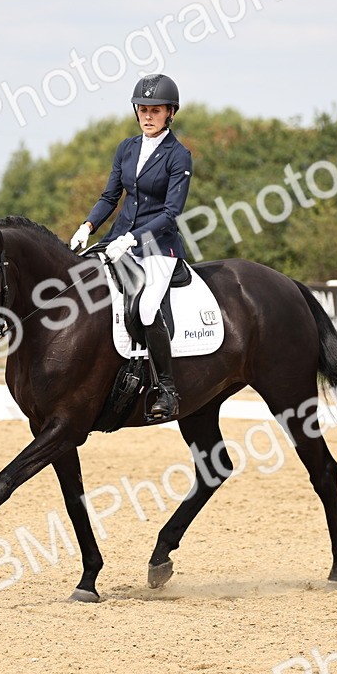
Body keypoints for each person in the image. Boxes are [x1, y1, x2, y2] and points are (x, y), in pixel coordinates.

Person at [69, 73, 192, 420]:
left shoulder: (179, 156)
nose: (148, 116)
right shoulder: (127, 148)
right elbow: (110, 196)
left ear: (170, 113)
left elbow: (171, 213)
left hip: (158, 246)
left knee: (147, 308)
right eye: (143, 109)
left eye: (156, 110)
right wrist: (87, 226)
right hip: (117, 239)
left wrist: (135, 238)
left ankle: (166, 389)